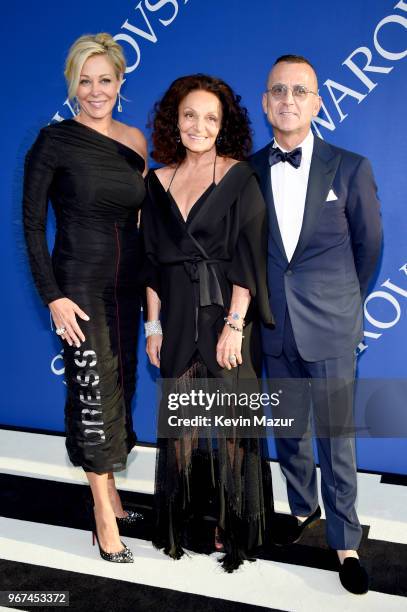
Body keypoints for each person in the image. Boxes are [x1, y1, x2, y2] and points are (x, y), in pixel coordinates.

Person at [250, 55, 382, 594]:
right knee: (288, 432)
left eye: (299, 91)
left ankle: (345, 539)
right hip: (273, 325)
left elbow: (369, 248)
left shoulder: (350, 167)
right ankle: (302, 507)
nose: (288, 99)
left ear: (317, 101)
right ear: (265, 101)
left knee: (337, 437)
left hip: (331, 325)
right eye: (278, 89)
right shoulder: (248, 171)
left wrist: (343, 301)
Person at [141, 74, 275, 572]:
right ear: (175, 119)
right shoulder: (154, 182)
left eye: (211, 118)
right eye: (190, 115)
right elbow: (150, 262)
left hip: (226, 314)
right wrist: (152, 327)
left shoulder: (240, 177)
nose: (199, 125)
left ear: (225, 125)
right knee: (183, 426)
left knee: (234, 426)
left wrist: (236, 324)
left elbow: (248, 255)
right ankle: (182, 517)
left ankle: (233, 522)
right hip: (175, 316)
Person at [23, 33, 147, 563]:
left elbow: (141, 220)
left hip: (127, 289)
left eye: (105, 80)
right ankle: (100, 515)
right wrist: (52, 296)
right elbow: (31, 224)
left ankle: (113, 495)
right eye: (84, 80)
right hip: (78, 288)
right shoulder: (53, 141)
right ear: (72, 84)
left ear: (121, 83)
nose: (94, 91)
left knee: (121, 389)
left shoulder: (136, 141)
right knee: (94, 396)